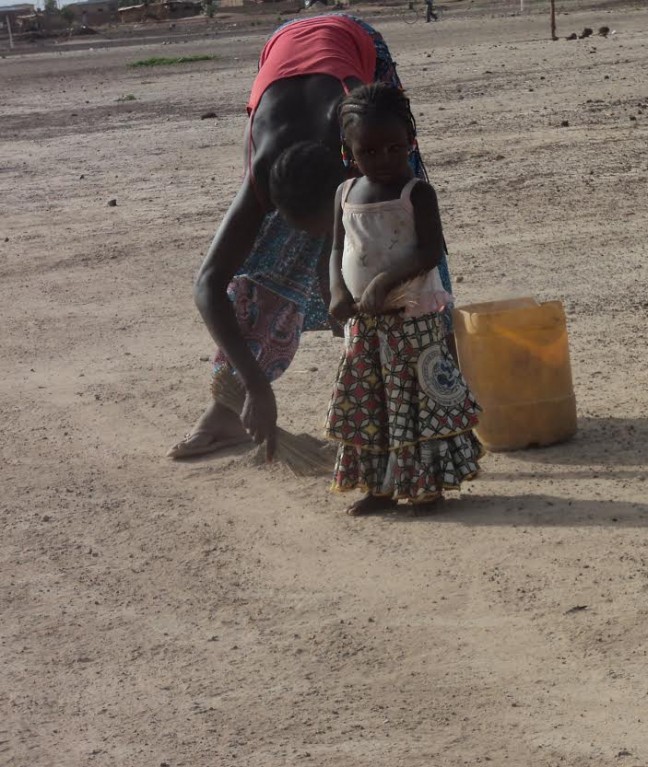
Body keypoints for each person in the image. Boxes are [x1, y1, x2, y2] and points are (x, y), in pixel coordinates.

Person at [168, 13, 452, 460]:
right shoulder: (261, 175)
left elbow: (418, 237)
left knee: (397, 216)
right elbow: (208, 285)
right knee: (264, 264)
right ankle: (228, 410)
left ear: (346, 170)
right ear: (272, 206)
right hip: (282, 46)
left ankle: (432, 381)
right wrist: (257, 388)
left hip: (350, 42)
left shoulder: (359, 128)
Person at [324, 84, 481, 515]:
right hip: (365, 324)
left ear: (411, 142)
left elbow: (430, 251)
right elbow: (336, 250)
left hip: (414, 319)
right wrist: (339, 291)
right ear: (348, 150)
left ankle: (426, 487)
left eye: (396, 147)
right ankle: (379, 488)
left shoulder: (417, 194)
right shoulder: (344, 194)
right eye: (369, 151)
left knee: (416, 403)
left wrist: (385, 283)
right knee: (372, 404)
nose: (385, 159)